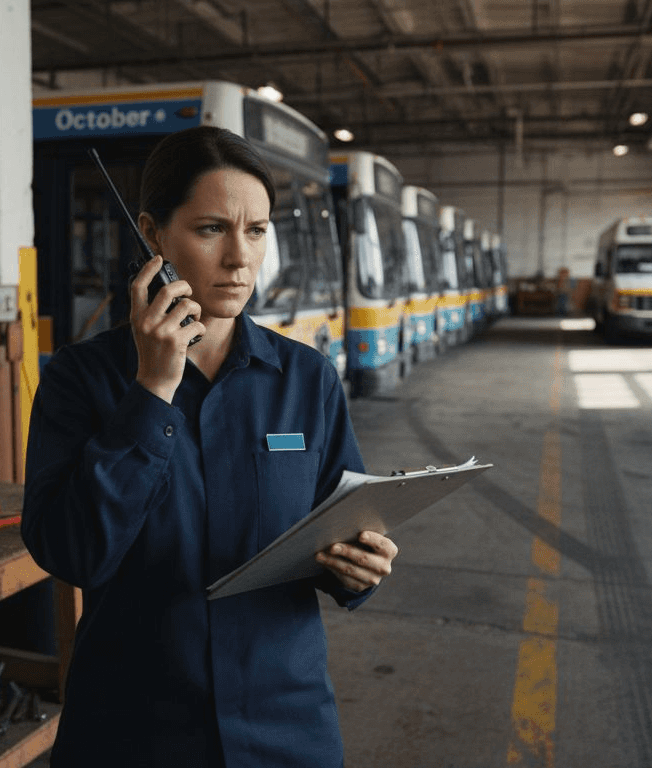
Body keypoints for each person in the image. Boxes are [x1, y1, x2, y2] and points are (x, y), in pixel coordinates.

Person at [21, 125, 399, 767]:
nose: (240, 259)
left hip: (284, 728)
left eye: (256, 231)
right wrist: (152, 390)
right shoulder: (79, 380)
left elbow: (349, 526)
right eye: (210, 229)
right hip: (133, 733)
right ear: (152, 234)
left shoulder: (306, 380)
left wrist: (361, 572)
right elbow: (73, 553)